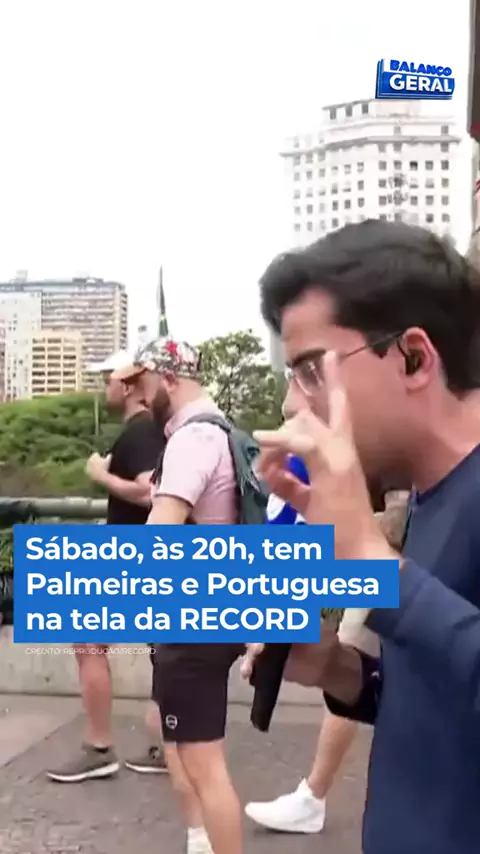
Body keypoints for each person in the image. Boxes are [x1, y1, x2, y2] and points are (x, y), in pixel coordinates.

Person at [243, 219, 480, 854]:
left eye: (310, 371)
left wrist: (376, 566)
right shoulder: (428, 494)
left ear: (413, 357)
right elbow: (442, 706)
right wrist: (338, 670)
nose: (292, 406)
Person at [113, 337, 243, 854]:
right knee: (190, 750)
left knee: (204, 763)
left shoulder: (193, 439)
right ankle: (199, 840)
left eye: (143, 382)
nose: (140, 396)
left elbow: (160, 533)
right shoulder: (222, 430)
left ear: (169, 378)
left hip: (195, 619)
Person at [246, 457, 407, 835]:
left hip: (391, 563)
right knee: (354, 668)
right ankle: (314, 796)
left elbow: (401, 519)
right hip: (381, 564)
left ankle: (315, 796)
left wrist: (344, 531)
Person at [47, 360, 167, 782]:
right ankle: (169, 744)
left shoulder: (141, 432)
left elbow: (151, 492)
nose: (105, 388)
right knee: (164, 648)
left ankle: (99, 748)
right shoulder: (151, 430)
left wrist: (101, 475)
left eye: (108, 380)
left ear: (130, 386)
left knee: (88, 640)